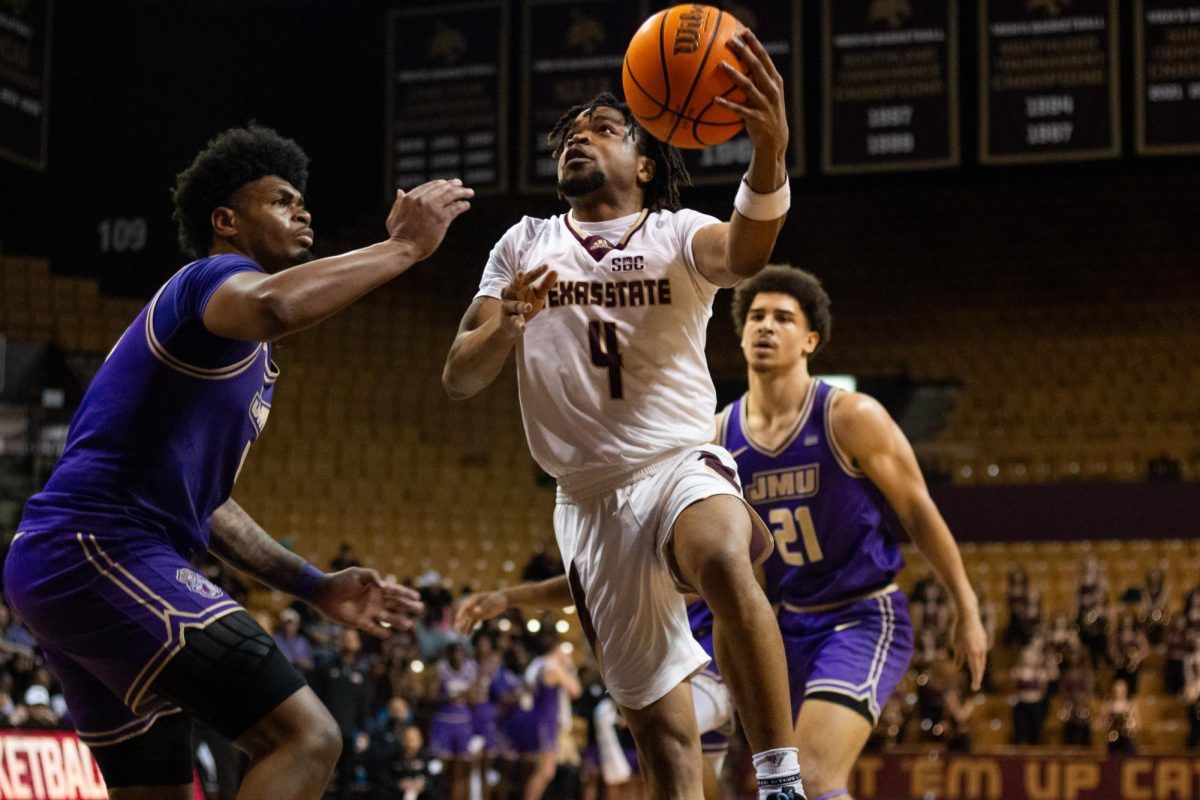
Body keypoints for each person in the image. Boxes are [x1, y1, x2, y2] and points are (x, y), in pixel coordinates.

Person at [2, 124, 475, 798]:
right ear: (226, 220)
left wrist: (313, 585)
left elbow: (213, 510)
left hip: (70, 564)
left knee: (160, 788)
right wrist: (402, 246)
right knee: (306, 737)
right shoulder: (212, 280)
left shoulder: (242, 355)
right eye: (282, 200)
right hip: (98, 549)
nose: (302, 210)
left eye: (303, 200)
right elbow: (277, 303)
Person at [459, 267, 987, 800]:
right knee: (681, 749)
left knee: (815, 778)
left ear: (810, 340)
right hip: (772, 624)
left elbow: (918, 511)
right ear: (738, 333)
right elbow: (630, 557)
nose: (766, 326)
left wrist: (965, 607)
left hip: (854, 615)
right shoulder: (712, 434)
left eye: (783, 318)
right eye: (756, 316)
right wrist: (514, 597)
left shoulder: (850, 416)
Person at [442, 26, 805, 800]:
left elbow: (745, 254)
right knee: (668, 748)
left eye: (603, 130)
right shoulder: (523, 244)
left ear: (645, 163)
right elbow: (458, 377)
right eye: (570, 136)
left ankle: (780, 779)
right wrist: (507, 318)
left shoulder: (675, 234)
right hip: (587, 501)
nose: (579, 140)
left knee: (722, 554)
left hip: (676, 461)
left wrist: (768, 153)